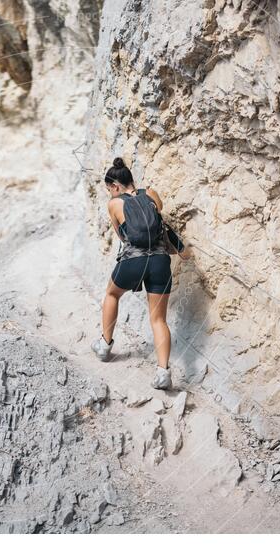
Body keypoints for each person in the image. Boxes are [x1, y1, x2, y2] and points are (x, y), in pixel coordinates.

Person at [91, 157, 190, 390]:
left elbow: (121, 236)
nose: (109, 195)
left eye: (109, 190)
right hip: (159, 262)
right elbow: (160, 211)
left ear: (115, 187)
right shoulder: (152, 193)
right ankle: (163, 372)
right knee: (158, 319)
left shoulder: (114, 204)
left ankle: (105, 345)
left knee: (112, 294)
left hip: (133, 262)